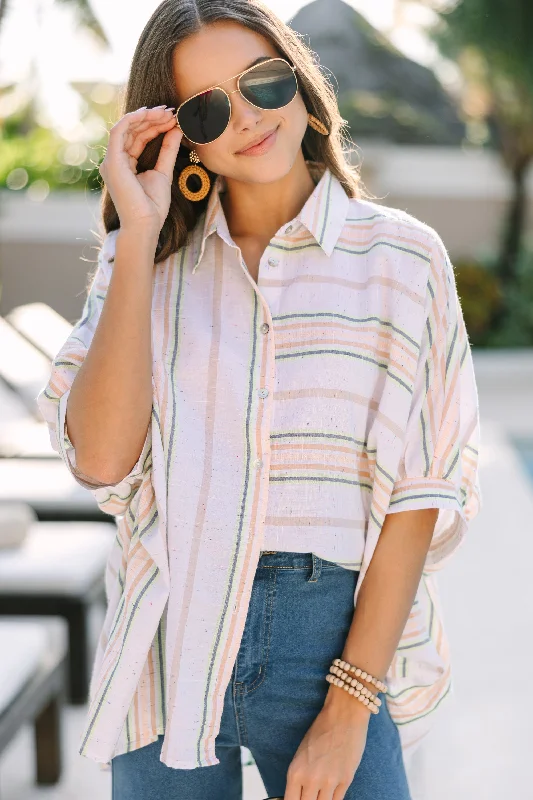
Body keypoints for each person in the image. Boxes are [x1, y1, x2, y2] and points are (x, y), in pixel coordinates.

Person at [37, 2, 481, 798]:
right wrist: (136, 238)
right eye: (209, 108)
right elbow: (102, 459)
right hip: (167, 643)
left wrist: (347, 709)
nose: (245, 117)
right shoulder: (146, 265)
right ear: (182, 137)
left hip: (329, 645)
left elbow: (420, 495)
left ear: (301, 85)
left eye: (262, 82)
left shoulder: (401, 258)